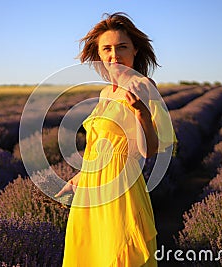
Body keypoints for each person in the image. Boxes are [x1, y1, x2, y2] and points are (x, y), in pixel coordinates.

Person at [55, 12, 175, 267]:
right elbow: (98, 149)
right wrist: (77, 180)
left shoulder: (143, 85)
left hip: (121, 192)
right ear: (98, 54)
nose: (114, 55)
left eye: (122, 47)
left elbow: (148, 150)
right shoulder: (104, 92)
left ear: (135, 51)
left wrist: (142, 111)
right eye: (106, 48)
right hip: (91, 193)